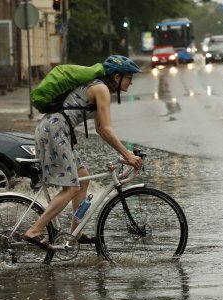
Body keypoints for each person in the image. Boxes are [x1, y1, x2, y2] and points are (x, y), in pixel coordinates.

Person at [22, 55, 144, 250]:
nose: (131, 81)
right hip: (55, 131)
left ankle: (75, 233)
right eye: (129, 77)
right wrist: (128, 155)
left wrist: (123, 153)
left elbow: (102, 130)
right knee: (71, 188)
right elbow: (106, 128)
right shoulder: (101, 89)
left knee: (83, 179)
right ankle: (34, 230)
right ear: (116, 77)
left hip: (57, 130)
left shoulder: (100, 88)